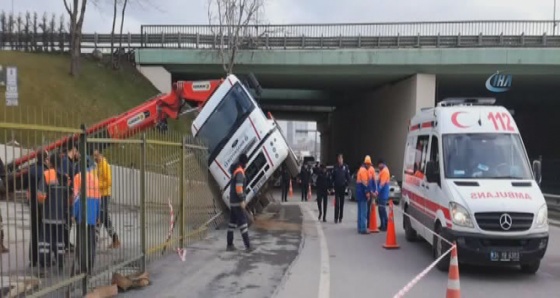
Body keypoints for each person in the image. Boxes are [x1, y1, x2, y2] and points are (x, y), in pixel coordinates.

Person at [72, 157, 101, 274]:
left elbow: (76, 198)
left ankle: (82, 267)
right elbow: (99, 199)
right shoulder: (95, 179)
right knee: (91, 242)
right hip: (93, 215)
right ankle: (90, 266)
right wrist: (98, 215)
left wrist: (74, 214)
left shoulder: (78, 177)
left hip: (82, 215)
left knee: (81, 242)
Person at [39, 154, 68, 269]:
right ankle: (60, 262)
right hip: (61, 215)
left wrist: (40, 204)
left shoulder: (47, 174)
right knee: (60, 241)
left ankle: (44, 262)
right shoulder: (65, 177)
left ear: (50, 163)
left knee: (45, 241)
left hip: (48, 214)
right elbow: (69, 196)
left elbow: (41, 195)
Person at [226, 154, 255, 252]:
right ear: (244, 163)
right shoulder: (240, 172)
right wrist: (242, 199)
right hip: (238, 202)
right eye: (246, 163)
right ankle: (248, 246)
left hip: (233, 201)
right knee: (243, 224)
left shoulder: (236, 170)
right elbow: (239, 188)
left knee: (232, 224)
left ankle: (229, 245)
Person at [93, 149, 120, 249]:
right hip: (100, 194)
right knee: (104, 218)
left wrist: (97, 185)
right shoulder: (99, 165)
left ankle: (94, 241)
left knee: (100, 217)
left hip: (105, 194)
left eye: (96, 156)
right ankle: (115, 239)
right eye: (94, 156)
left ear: (101, 154)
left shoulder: (104, 165)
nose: (95, 158)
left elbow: (109, 181)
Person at [26, 149, 49, 267]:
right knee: (43, 231)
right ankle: (42, 257)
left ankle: (33, 258)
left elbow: (28, 189)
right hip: (43, 204)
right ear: (45, 158)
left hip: (33, 204)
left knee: (34, 230)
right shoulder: (46, 171)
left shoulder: (31, 170)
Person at [59, 142, 80, 253]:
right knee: (67, 219)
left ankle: (66, 241)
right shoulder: (66, 162)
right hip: (67, 195)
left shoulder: (70, 162)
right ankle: (65, 242)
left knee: (69, 220)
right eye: (76, 151)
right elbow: (66, 180)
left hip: (71, 194)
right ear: (73, 150)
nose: (77, 154)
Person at [330, 153, 351, 223]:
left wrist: (347, 184)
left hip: (343, 187)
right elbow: (332, 177)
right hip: (337, 187)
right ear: (337, 159)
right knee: (337, 203)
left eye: (341, 158)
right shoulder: (335, 167)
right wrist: (331, 186)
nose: (340, 160)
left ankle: (340, 217)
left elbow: (348, 177)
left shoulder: (346, 167)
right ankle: (336, 217)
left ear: (342, 159)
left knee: (342, 203)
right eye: (339, 158)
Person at [356, 156, 373, 234]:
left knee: (360, 211)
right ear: (367, 164)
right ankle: (363, 228)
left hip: (359, 193)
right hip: (362, 194)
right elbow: (365, 183)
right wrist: (367, 193)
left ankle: (360, 227)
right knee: (363, 211)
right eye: (369, 165)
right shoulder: (363, 171)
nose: (370, 166)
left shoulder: (361, 169)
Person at [377, 159, 391, 232]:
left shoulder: (385, 171)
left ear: (382, 164)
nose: (378, 166)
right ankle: (382, 224)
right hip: (381, 194)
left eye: (379, 165)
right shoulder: (382, 171)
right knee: (380, 209)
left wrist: (377, 191)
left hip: (383, 194)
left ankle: (385, 225)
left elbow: (382, 184)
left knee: (382, 210)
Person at [366, 162, 378, 230]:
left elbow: (371, 182)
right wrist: (374, 191)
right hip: (371, 192)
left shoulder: (369, 170)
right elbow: (373, 182)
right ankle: (369, 223)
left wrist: (372, 191)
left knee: (368, 208)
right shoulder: (370, 170)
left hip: (370, 192)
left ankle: (368, 223)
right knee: (369, 208)